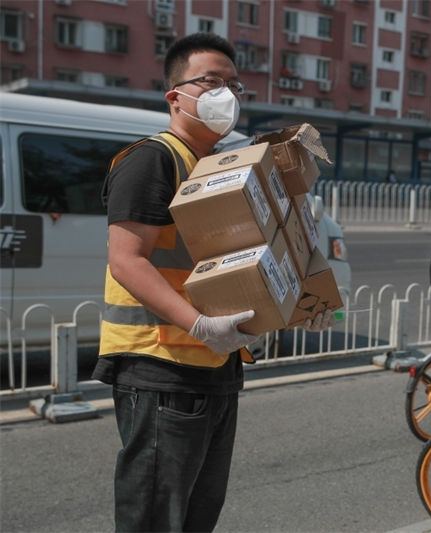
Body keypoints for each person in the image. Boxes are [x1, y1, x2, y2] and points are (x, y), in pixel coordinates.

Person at [92, 33, 332, 532]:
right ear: (175, 95)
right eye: (210, 81)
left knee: (197, 516)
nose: (226, 93)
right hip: (162, 365)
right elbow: (126, 260)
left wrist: (302, 305)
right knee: (156, 518)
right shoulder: (153, 160)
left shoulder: (222, 172)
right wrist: (199, 324)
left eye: (234, 84)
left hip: (214, 366)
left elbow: (246, 266)